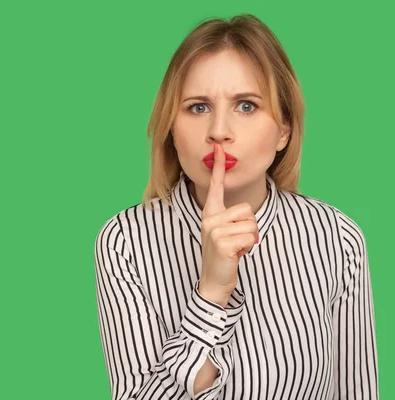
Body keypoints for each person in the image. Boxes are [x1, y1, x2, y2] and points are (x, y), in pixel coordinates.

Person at [94, 14, 379, 400]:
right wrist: (211, 293)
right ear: (170, 127)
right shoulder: (124, 243)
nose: (218, 131)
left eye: (246, 106)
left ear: (284, 130)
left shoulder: (337, 239)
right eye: (198, 107)